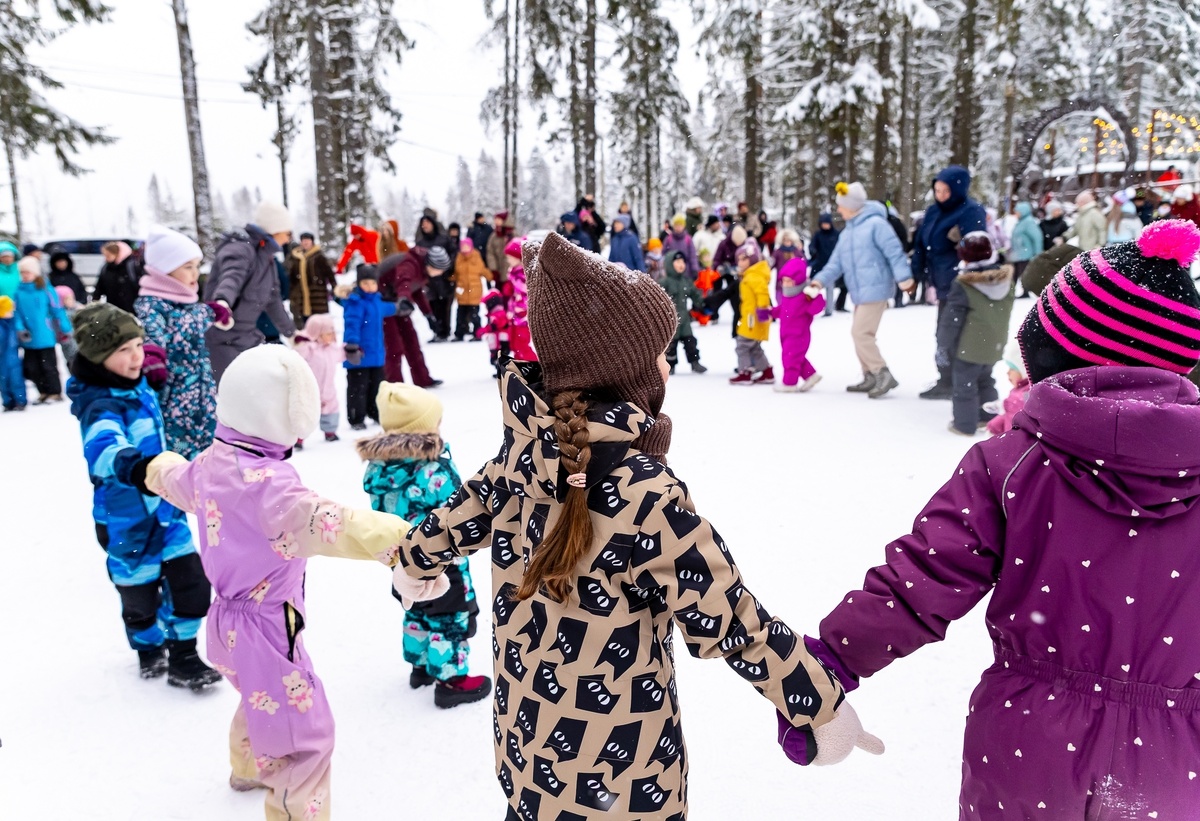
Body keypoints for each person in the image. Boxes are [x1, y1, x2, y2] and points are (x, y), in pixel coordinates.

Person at [391, 231, 879, 818]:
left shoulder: (519, 459)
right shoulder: (645, 493)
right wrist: (818, 706)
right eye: (658, 354)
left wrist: (412, 564)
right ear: (624, 372)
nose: (666, 364)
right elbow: (729, 619)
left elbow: (450, 522)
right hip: (624, 788)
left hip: (528, 766)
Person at [809, 219, 1200, 819]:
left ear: (1060, 352)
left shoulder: (1012, 464)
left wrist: (830, 661)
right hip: (1177, 763)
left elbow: (926, 575)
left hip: (1031, 746)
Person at [141, 344, 445, 821]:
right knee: (304, 737)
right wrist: (407, 541)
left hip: (224, 625)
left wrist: (153, 467)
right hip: (266, 629)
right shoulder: (270, 487)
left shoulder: (211, 463)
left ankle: (247, 767)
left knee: (261, 696)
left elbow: (173, 478)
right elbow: (335, 523)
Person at [66, 302, 219, 688]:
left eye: (138, 345)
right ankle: (148, 647)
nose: (136, 356)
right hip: (126, 519)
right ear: (99, 358)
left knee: (192, 583)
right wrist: (135, 468)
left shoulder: (135, 383)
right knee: (139, 596)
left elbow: (147, 361)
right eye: (124, 350)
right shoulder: (99, 405)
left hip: (166, 510)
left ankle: (184, 655)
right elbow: (104, 446)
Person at [357, 382, 490, 707]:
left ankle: (421, 667)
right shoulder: (434, 470)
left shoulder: (378, 468)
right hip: (441, 559)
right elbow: (458, 513)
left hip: (402, 559)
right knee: (451, 617)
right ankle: (452, 681)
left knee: (416, 608)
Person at [812, 182, 913, 398]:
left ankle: (881, 372)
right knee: (859, 333)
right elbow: (835, 263)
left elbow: (894, 252)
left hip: (876, 288)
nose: (839, 210)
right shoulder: (847, 232)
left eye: (841, 205)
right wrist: (818, 282)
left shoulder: (877, 225)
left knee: (861, 333)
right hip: (859, 291)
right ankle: (870, 375)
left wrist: (904, 278)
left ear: (851, 205)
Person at [134, 225, 224, 460]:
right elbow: (152, 334)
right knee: (179, 455)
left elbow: (193, 319)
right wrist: (151, 356)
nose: (195, 273)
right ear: (165, 270)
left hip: (202, 395)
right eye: (187, 267)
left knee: (208, 452)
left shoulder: (187, 303)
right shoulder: (152, 305)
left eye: (196, 266)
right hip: (174, 397)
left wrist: (213, 312)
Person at [912, 165, 987, 399]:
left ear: (957, 190)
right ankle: (946, 379)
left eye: (946, 191)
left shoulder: (971, 211)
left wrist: (960, 243)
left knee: (953, 333)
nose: (941, 195)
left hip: (961, 284)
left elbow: (978, 248)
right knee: (944, 332)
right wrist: (916, 273)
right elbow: (921, 245)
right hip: (941, 281)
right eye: (937, 190)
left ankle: (958, 382)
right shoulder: (933, 212)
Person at [203, 202, 296, 381]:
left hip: (247, 338)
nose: (288, 239)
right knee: (231, 393)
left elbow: (273, 300)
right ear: (275, 229)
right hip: (223, 340)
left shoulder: (266, 257)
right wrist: (222, 302)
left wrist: (291, 332)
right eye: (288, 233)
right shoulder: (241, 249)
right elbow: (231, 277)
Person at [935, 232, 1015, 436]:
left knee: (964, 384)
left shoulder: (964, 285)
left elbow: (951, 321)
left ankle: (963, 425)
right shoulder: (1005, 281)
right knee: (985, 378)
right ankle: (987, 417)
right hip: (994, 342)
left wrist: (943, 345)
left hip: (969, 346)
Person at [377, 245, 445, 389]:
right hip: (384, 303)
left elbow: (417, 291)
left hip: (398, 302)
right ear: (431, 264)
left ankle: (422, 379)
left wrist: (428, 314)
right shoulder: (409, 263)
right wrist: (404, 299)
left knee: (411, 341)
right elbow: (404, 281)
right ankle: (395, 384)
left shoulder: (421, 269)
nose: (441, 273)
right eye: (440, 269)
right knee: (393, 346)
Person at [342, 264, 397, 430]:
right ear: (359, 284)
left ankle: (375, 413)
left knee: (376, 387)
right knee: (358, 388)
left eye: (373, 283)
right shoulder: (355, 302)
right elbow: (352, 324)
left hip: (376, 353)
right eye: (365, 283)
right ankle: (356, 417)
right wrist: (352, 345)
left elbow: (386, 308)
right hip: (360, 353)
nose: (370, 287)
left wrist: (398, 307)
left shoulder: (377, 300)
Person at [14, 255, 71, 403]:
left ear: (35, 273)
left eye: (28, 272)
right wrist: (20, 329)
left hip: (45, 334)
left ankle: (55, 392)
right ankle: (43, 391)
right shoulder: (19, 292)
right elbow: (17, 313)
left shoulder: (46, 289)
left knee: (48, 366)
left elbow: (57, 310)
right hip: (29, 336)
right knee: (32, 368)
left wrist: (65, 327)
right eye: (22, 273)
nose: (25, 275)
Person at [772, 257, 824, 393]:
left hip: (798, 335)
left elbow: (816, 308)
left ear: (798, 281)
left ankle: (789, 383)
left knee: (790, 358)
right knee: (796, 357)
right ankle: (811, 375)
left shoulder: (804, 297)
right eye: (784, 281)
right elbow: (783, 311)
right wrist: (770, 312)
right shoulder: (788, 296)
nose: (786, 284)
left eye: (789, 281)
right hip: (786, 334)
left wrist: (815, 296)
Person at [729, 241, 776, 386]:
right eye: (738, 259)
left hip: (753, 318)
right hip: (750, 316)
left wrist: (763, 310)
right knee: (754, 347)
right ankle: (767, 371)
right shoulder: (749, 274)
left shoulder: (754, 275)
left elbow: (762, 293)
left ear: (752, 259)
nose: (740, 262)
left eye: (744, 259)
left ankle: (745, 372)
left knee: (742, 345)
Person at [294, 313, 343, 446]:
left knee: (331, 409)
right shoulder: (309, 348)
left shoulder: (332, 348)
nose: (332, 336)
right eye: (328, 334)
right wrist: (300, 343)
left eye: (332, 333)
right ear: (317, 334)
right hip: (309, 390)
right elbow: (297, 355)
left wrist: (350, 351)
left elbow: (340, 354)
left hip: (328, 389)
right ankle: (298, 438)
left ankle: (330, 432)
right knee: (304, 413)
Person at [662, 250, 707, 375]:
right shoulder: (665, 282)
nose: (681, 264)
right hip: (671, 320)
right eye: (677, 262)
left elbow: (695, 294)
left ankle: (695, 362)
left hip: (685, 319)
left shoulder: (686, 281)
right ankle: (670, 366)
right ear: (670, 264)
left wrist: (702, 304)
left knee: (690, 342)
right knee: (670, 346)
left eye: (683, 262)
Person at [416, 213, 457, 342]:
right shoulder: (421, 243)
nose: (425, 226)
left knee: (445, 306)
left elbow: (454, 253)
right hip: (429, 281)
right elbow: (417, 261)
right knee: (432, 306)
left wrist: (446, 268)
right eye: (423, 224)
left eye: (427, 223)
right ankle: (437, 331)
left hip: (445, 279)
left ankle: (445, 331)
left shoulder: (444, 239)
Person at [287, 232, 337, 327]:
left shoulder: (319, 256)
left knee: (318, 322)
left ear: (312, 242)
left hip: (317, 294)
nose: (305, 243)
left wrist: (334, 287)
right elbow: (291, 277)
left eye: (307, 240)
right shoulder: (296, 257)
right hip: (300, 295)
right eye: (303, 241)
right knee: (303, 322)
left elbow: (329, 273)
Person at [984, 339, 1030, 436]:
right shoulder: (1019, 390)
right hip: (1011, 440)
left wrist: (1004, 405)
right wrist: (996, 425)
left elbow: (1019, 408)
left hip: (1019, 443)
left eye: (1012, 369)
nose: (1008, 372)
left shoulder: (1027, 394)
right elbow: (1010, 415)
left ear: (1025, 370)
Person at [451, 237, 491, 342]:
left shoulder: (476, 256)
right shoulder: (459, 258)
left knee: (475, 315)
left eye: (467, 246)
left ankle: (477, 333)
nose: (465, 249)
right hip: (462, 292)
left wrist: (491, 276)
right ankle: (459, 334)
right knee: (460, 316)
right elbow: (456, 273)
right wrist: (449, 277)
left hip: (474, 292)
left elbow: (483, 270)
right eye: (463, 247)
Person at [505, 244, 537, 363]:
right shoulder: (513, 273)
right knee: (514, 344)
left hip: (523, 316)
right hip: (514, 315)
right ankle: (521, 367)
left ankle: (535, 367)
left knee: (522, 344)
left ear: (518, 258)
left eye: (510, 257)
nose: (508, 260)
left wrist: (522, 309)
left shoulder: (522, 275)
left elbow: (526, 295)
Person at [808, 213, 844, 316]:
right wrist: (813, 251)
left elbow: (841, 247)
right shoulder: (818, 235)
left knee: (830, 288)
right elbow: (812, 246)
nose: (825, 225)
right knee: (814, 287)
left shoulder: (836, 234)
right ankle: (811, 309)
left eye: (827, 223)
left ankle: (829, 310)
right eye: (823, 223)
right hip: (819, 264)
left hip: (831, 265)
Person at [93, 241, 142, 313]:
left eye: (108, 255)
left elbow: (137, 285)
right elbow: (100, 286)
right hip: (113, 308)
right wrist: (95, 301)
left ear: (116, 254)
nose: (106, 259)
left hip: (130, 308)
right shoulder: (106, 268)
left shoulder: (130, 266)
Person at [1008, 202, 1044, 294]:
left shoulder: (1029, 222)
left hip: (1026, 253)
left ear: (1023, 212)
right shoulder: (1021, 222)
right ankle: (1011, 292)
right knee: (1015, 274)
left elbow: (1037, 238)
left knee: (1024, 274)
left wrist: (1038, 254)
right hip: (1019, 253)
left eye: (1017, 212)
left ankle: (1025, 291)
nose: (1016, 214)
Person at [0, 295, 26, 411]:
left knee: (17, 380)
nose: (10, 313)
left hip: (13, 357)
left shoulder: (14, 322)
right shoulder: (3, 326)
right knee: (3, 381)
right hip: (2, 358)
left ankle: (20, 400)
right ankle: (7, 401)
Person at [477, 287, 510, 379]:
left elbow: (498, 324)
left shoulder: (499, 313)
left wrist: (485, 329)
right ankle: (500, 370)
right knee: (497, 357)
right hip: (496, 342)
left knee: (501, 357)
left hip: (501, 342)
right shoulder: (493, 314)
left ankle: (503, 372)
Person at [485, 210, 516, 282]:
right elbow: (490, 252)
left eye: (498, 219)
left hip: (512, 272)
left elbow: (517, 251)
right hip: (498, 271)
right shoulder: (494, 235)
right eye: (495, 219)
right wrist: (493, 268)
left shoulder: (513, 234)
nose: (496, 221)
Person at [55, 286, 81, 363]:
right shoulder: (61, 315)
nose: (71, 301)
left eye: (72, 298)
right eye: (67, 299)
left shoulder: (79, 309)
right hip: (69, 342)